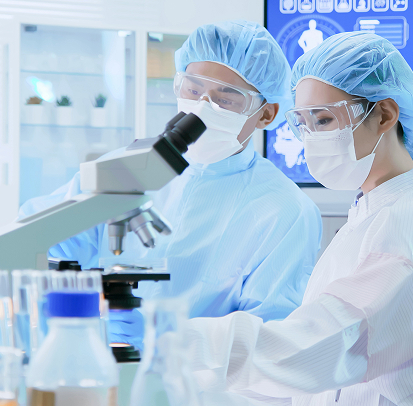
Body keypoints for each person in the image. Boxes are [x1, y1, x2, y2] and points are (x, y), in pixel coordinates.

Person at [18, 21, 321, 346]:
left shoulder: (286, 211)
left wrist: (169, 339)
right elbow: (43, 247)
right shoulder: (127, 166)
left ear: (266, 114)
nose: (202, 109)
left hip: (198, 377)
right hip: (96, 363)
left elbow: (267, 341)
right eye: (193, 90)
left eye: (226, 100)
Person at [184, 31, 413, 406]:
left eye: (323, 120)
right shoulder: (366, 214)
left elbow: (331, 343)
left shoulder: (403, 220)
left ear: (384, 115)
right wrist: (197, 387)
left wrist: (182, 343)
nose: (311, 138)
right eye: (303, 123)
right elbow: (308, 384)